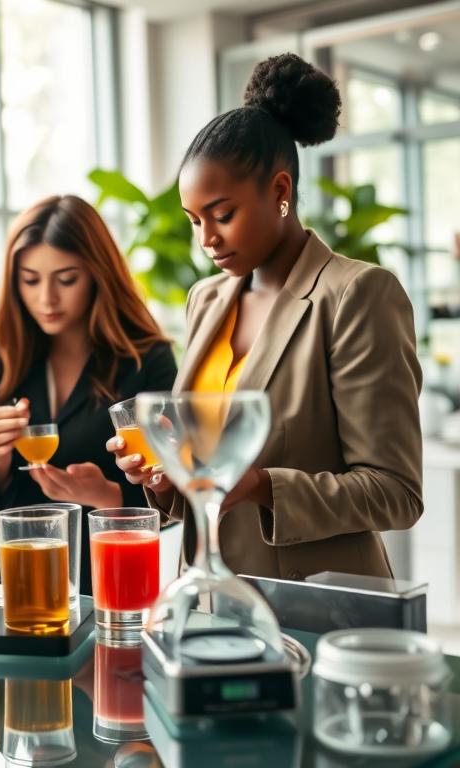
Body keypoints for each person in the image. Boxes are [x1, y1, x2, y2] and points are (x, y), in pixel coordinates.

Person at [109, 53, 423, 579]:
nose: (207, 239)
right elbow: (204, 481)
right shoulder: (206, 300)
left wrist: (261, 486)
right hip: (212, 598)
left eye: (222, 215)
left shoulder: (356, 294)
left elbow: (396, 492)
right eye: (194, 221)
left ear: (280, 191)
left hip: (319, 602)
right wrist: (164, 477)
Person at [0, 195, 177, 594]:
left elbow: (176, 489)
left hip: (110, 582)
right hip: (17, 582)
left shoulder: (146, 360)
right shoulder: (2, 359)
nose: (46, 298)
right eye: (30, 280)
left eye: (66, 279)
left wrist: (109, 496)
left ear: (97, 274)